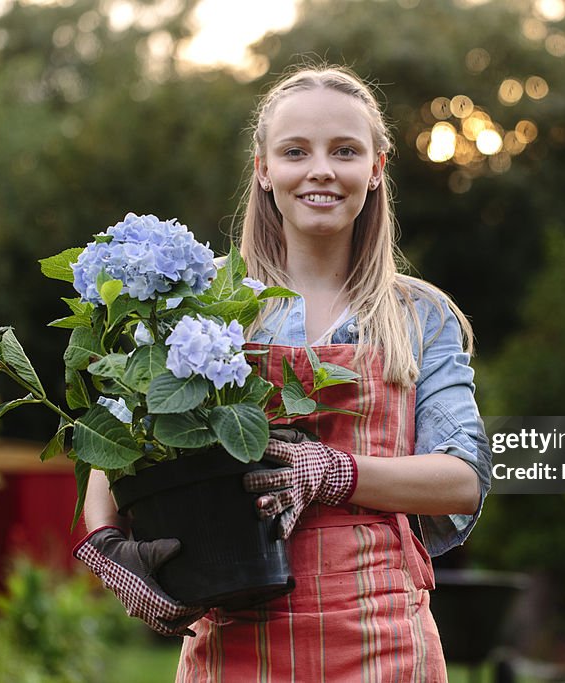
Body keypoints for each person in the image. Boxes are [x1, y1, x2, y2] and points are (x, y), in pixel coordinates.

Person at [74, 64, 492, 682]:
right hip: (236, 644)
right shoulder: (204, 307)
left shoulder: (418, 316)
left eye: (344, 151)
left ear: (376, 169)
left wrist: (333, 471)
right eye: (296, 151)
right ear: (264, 169)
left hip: (386, 644)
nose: (321, 169)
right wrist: (106, 550)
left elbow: (463, 478)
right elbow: (115, 451)